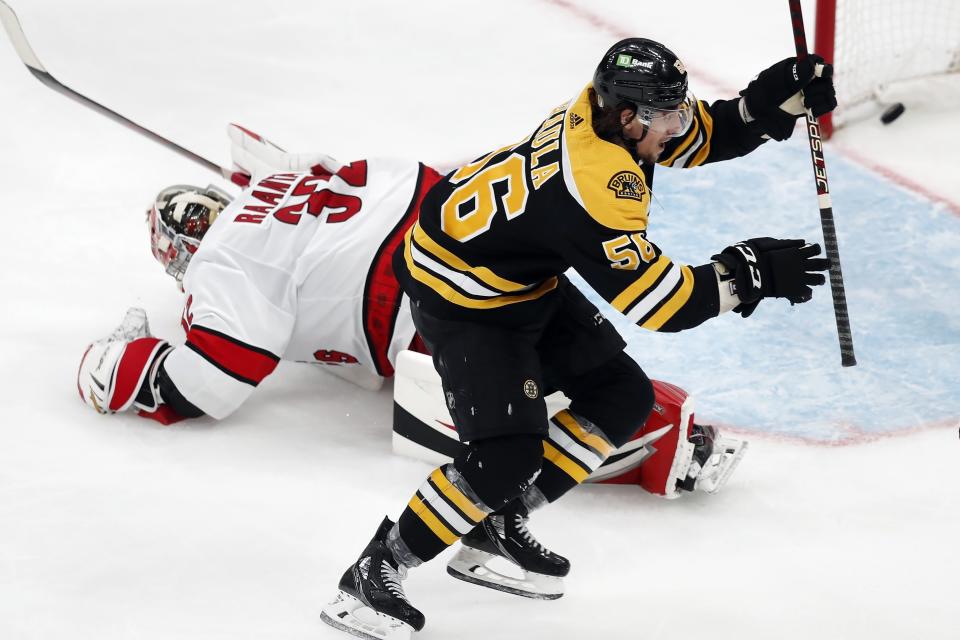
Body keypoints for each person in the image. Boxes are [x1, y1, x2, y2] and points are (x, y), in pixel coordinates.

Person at [320, 38, 836, 640]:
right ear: (626, 116)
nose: (676, 125)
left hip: (513, 272)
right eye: (665, 115)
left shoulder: (609, 113)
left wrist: (760, 109)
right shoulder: (596, 184)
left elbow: (696, 136)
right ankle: (375, 569)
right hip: (463, 298)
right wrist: (745, 275)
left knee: (622, 396)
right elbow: (661, 304)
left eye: (676, 110)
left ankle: (497, 524)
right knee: (504, 454)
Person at [76, 124, 742, 498]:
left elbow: (215, 380)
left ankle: (661, 444)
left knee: (468, 422)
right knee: (543, 333)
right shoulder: (288, 177)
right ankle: (657, 411)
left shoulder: (220, 263)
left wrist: (117, 365)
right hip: (472, 225)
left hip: (417, 300)